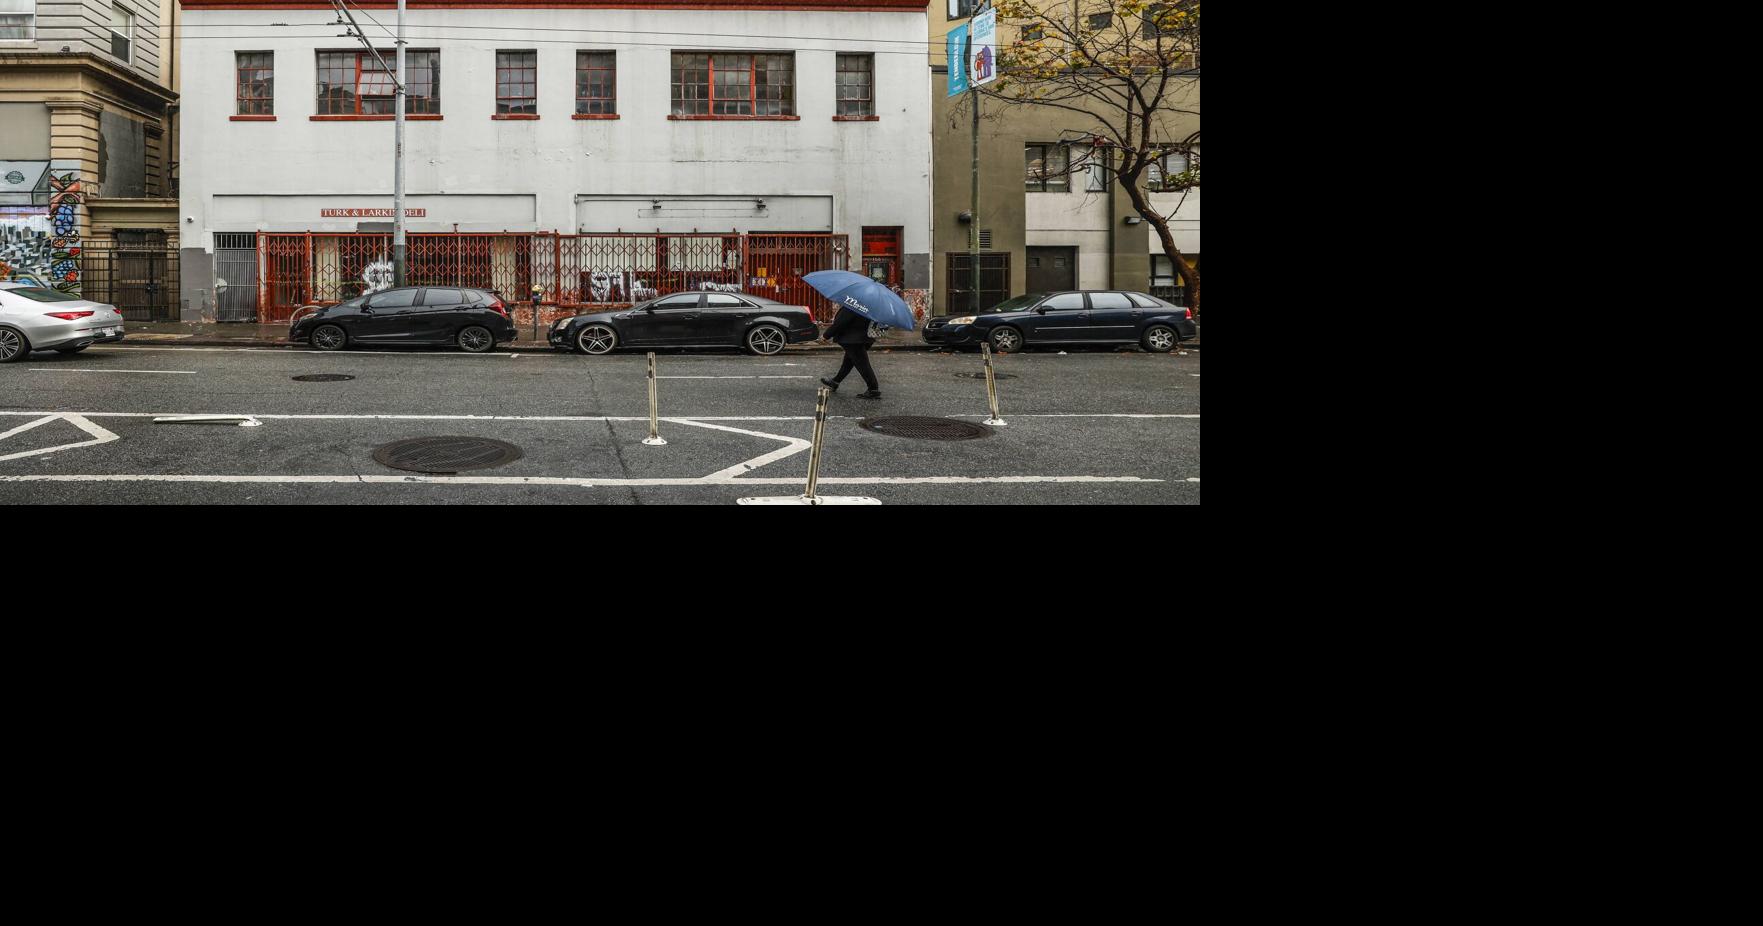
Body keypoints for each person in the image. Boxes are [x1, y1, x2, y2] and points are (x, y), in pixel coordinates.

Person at [819, 305, 883, 399]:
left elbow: (840, 323)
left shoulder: (853, 304)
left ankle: (873, 389)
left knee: (862, 364)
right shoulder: (868, 304)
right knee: (849, 362)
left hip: (852, 339)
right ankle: (835, 381)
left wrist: (826, 335)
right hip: (862, 337)